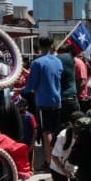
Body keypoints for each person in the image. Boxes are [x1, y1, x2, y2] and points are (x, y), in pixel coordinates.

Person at [21, 37, 63, 170]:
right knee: (55, 132)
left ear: (39, 46)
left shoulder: (37, 63)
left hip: (44, 102)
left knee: (46, 133)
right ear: (52, 45)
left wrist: (21, 91)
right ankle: (57, 160)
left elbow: (31, 85)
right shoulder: (58, 61)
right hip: (57, 101)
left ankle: (49, 162)